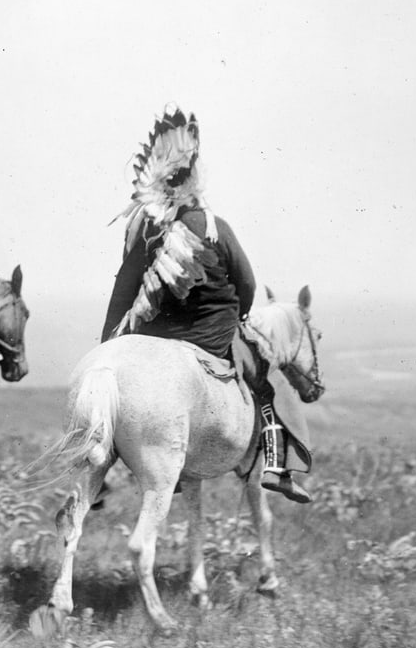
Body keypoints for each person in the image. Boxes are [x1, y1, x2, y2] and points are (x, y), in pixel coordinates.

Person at [100, 106, 311, 503]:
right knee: (266, 381)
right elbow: (247, 284)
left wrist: (110, 343)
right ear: (194, 182)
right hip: (211, 336)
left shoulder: (147, 231)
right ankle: (277, 466)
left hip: (156, 335)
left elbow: (124, 292)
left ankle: (104, 462)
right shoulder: (215, 227)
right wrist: (237, 317)